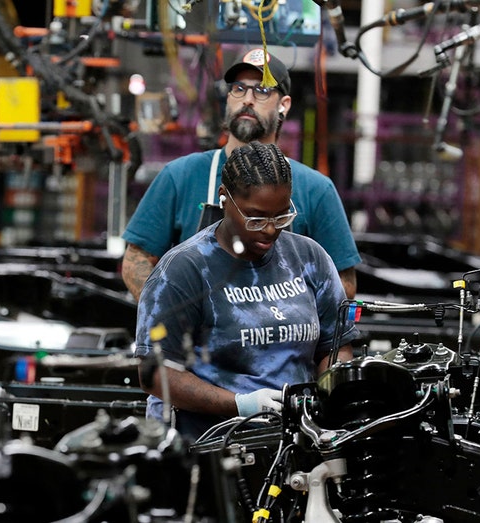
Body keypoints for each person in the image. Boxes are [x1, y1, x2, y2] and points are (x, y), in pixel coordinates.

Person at [134, 141, 358, 440]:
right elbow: (154, 375)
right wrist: (239, 404)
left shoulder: (309, 258)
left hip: (294, 442)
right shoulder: (183, 271)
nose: (269, 230)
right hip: (210, 446)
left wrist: (328, 398)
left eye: (281, 216)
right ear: (224, 198)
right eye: (256, 218)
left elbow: (336, 345)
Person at [122, 48, 360, 301]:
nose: (248, 99)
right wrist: (171, 312)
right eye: (239, 88)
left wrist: (294, 316)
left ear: (284, 105)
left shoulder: (316, 190)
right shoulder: (180, 176)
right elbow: (136, 259)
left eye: (262, 90)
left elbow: (343, 281)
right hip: (198, 337)